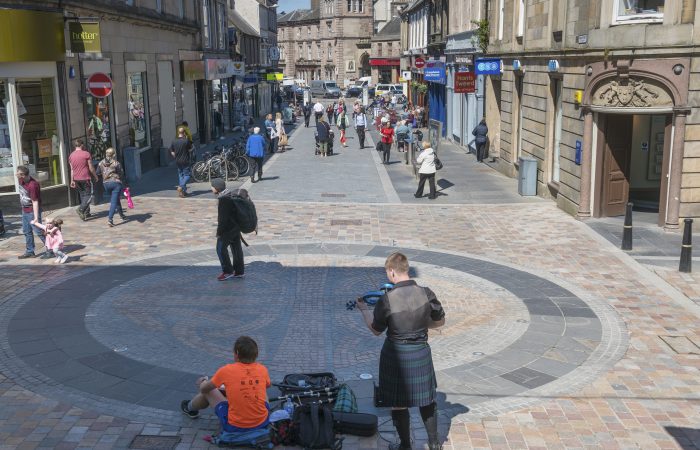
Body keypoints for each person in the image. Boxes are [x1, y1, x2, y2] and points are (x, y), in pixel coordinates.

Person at [355, 252, 445, 450]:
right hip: (420, 351)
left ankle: (405, 446)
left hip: (395, 354)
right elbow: (440, 321)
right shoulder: (427, 293)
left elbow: (376, 330)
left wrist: (363, 309)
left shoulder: (387, 299)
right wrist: (421, 324)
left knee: (398, 402)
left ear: (392, 271)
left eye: (388, 273)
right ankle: (435, 443)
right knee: (427, 399)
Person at [180, 336, 271, 437]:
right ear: (256, 354)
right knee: (260, 387)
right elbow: (267, 386)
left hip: (235, 426)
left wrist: (203, 381)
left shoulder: (226, 370)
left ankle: (189, 407)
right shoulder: (262, 369)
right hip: (262, 422)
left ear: (236, 354)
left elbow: (204, 389)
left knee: (209, 391)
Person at [211, 178, 245, 280]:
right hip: (236, 227)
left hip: (227, 230)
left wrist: (219, 232)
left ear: (216, 188)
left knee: (220, 249)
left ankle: (227, 271)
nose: (211, 188)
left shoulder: (223, 200)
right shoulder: (230, 194)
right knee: (236, 249)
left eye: (212, 186)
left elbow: (222, 220)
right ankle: (239, 271)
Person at [16, 166, 49, 259]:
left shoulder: (33, 185)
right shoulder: (21, 181)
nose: (16, 175)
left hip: (32, 211)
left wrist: (35, 217)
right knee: (26, 231)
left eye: (17, 173)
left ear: (22, 175)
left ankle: (50, 249)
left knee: (39, 231)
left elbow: (35, 202)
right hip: (25, 210)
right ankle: (30, 251)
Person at [68, 139, 98, 221]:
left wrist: (72, 180)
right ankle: (81, 209)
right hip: (85, 178)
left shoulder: (71, 156)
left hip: (76, 178)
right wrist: (95, 176)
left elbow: (72, 170)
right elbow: (91, 167)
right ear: (82, 145)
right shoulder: (86, 154)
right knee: (89, 195)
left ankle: (86, 212)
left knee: (83, 195)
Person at [98, 148, 126, 227]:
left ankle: (121, 215)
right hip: (115, 183)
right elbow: (121, 174)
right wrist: (125, 185)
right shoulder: (116, 163)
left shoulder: (100, 163)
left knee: (116, 199)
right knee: (113, 202)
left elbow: (98, 173)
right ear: (114, 155)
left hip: (106, 184)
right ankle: (110, 219)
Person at [170, 126, 194, 198]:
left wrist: (174, 155)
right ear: (184, 133)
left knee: (181, 175)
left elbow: (171, 150)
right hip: (185, 160)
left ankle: (183, 192)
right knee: (187, 175)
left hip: (178, 161)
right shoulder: (186, 141)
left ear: (178, 133)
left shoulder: (174, 141)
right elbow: (190, 149)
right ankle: (181, 187)